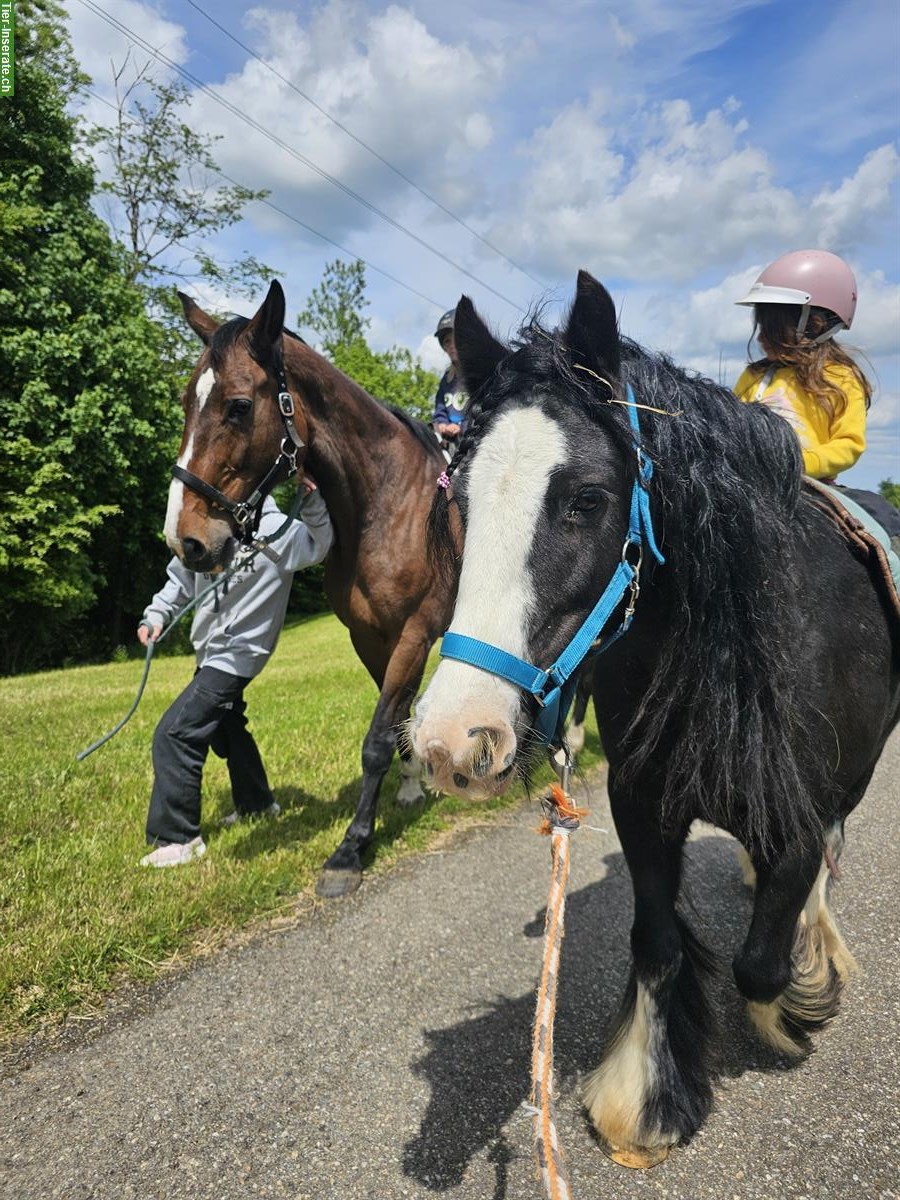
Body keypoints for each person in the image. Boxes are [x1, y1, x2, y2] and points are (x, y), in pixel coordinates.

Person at [137, 478, 333, 868]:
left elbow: (320, 542)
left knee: (175, 734)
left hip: (239, 656)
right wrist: (157, 613)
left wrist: (310, 499)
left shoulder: (283, 535)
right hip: (209, 652)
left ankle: (179, 839)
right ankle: (257, 803)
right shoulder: (211, 526)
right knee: (227, 728)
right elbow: (180, 577)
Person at [733, 249, 870, 481]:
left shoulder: (841, 377)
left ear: (814, 326)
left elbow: (849, 443)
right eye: (762, 328)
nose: (761, 338)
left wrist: (800, 464)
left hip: (810, 484)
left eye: (772, 329)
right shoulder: (753, 376)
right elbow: (732, 427)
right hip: (754, 483)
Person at [431, 308, 469, 446]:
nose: (451, 345)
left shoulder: (477, 377)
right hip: (452, 440)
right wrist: (442, 423)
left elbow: (481, 410)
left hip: (473, 441)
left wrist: (462, 427)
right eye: (447, 341)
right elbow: (440, 407)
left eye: (455, 339)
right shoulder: (446, 379)